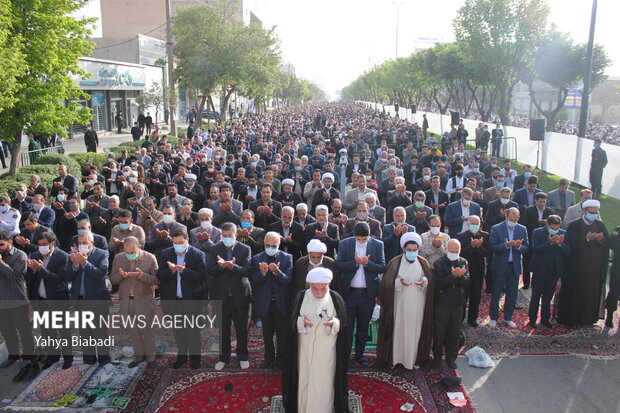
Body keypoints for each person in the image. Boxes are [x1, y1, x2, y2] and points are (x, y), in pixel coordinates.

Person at [282, 267, 350, 413]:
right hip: (304, 351)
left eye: (323, 289)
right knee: (305, 379)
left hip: (328, 353)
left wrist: (335, 324)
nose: (319, 293)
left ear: (329, 285)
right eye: (315, 289)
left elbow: (345, 325)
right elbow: (290, 323)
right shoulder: (300, 297)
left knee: (324, 382)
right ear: (310, 286)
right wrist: (301, 322)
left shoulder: (335, 298)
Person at [377, 232, 434, 369]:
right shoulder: (395, 263)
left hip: (417, 303)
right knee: (398, 331)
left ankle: (412, 360)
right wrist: (398, 282)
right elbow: (385, 284)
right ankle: (396, 359)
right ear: (404, 249)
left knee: (415, 332)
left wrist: (424, 281)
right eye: (409, 250)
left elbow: (430, 281)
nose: (412, 253)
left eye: (415, 250)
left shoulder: (423, 262)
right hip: (399, 303)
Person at [155, 227, 206, 369]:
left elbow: (201, 276)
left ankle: (195, 359)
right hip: (174, 300)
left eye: (180, 242)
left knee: (193, 331)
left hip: (192, 300)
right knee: (179, 331)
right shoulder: (166, 254)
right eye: (175, 242)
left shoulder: (198, 255)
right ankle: (181, 356)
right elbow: (160, 275)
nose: (177, 244)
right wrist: (171, 271)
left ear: (187, 240)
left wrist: (184, 271)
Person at [337, 222, 386, 367]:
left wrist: (366, 263)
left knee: (363, 328)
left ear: (369, 236)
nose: (362, 241)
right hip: (349, 293)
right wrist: (355, 263)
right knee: (347, 327)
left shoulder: (377, 245)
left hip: (367, 294)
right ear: (354, 236)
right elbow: (339, 264)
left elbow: (382, 267)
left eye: (364, 239)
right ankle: (345, 356)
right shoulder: (345, 244)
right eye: (359, 239)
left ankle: (359, 356)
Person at [207, 223, 252, 370]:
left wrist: (232, 266)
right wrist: (220, 266)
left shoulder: (245, 249)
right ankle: (223, 357)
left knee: (241, 329)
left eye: (230, 236)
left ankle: (243, 356)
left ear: (235, 235)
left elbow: (247, 271)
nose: (227, 239)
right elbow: (210, 271)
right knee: (223, 329)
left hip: (239, 295)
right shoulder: (214, 249)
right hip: (222, 296)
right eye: (224, 236)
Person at [109, 236, 159, 369]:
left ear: (139, 247)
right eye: (127, 252)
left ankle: (151, 357)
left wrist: (141, 275)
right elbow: (113, 280)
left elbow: (157, 280)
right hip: (127, 301)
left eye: (132, 252)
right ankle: (139, 356)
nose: (129, 255)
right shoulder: (119, 258)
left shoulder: (150, 258)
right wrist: (121, 275)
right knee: (133, 331)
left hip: (145, 301)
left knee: (148, 331)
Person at [65, 230, 112, 367]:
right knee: (85, 332)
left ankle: (104, 359)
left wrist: (85, 263)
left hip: (97, 300)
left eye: (84, 243)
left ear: (92, 243)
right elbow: (67, 277)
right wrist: (75, 265)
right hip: (80, 300)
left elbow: (100, 274)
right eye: (79, 243)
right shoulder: (73, 256)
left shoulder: (102, 254)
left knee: (100, 332)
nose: (82, 245)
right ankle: (89, 359)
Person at [558, 200, 609, 326]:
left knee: (590, 293)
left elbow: (606, 245)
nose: (593, 215)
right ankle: (573, 318)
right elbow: (571, 246)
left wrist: (600, 240)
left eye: (596, 212)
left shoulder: (600, 225)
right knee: (576, 292)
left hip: (594, 269)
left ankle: (589, 318)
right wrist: (586, 238)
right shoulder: (574, 225)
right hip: (577, 268)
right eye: (591, 212)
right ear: (584, 211)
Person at [26, 231, 73, 370]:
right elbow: (29, 280)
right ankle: (53, 356)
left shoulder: (62, 256)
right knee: (47, 330)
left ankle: (68, 357)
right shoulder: (35, 255)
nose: (41, 247)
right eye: (39, 245)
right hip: (41, 300)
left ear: (52, 244)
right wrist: (32, 270)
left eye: (44, 244)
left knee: (63, 330)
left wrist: (41, 270)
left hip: (58, 300)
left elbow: (59, 279)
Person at [251, 231, 293, 368]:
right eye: (268, 245)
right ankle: (268, 358)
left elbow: (288, 280)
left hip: (281, 303)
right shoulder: (257, 258)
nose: (270, 248)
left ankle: (281, 359)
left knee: (282, 334)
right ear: (264, 244)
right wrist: (262, 274)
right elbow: (254, 282)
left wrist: (277, 272)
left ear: (279, 244)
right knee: (267, 334)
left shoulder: (287, 258)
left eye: (273, 245)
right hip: (265, 304)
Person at [0, 230, 37, 381]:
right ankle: (14, 355)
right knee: (7, 332)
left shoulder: (20, 255)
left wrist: (0, 262)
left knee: (24, 332)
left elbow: (14, 276)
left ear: (10, 242)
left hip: (18, 301)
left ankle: (28, 356)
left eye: (1, 244)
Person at [431, 239, 469, 369]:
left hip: (458, 303)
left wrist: (461, 276)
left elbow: (467, 282)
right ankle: (436, 357)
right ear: (446, 250)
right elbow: (440, 283)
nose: (454, 253)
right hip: (443, 303)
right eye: (452, 251)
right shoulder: (439, 263)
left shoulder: (463, 262)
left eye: (456, 251)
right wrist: (453, 276)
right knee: (439, 332)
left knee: (455, 332)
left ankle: (451, 358)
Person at [488, 208, 529, 328]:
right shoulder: (496, 228)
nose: (513, 221)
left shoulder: (522, 229)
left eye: (515, 220)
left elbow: (526, 248)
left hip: (514, 267)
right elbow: (492, 247)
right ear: (506, 216)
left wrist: (517, 247)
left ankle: (508, 317)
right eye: (511, 219)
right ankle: (493, 317)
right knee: (496, 292)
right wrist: (505, 245)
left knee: (512, 293)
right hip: (500, 266)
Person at [527, 216, 570, 329]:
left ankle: (545, 319)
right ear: (547, 224)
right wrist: (549, 243)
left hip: (553, 271)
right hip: (540, 270)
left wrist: (560, 244)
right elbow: (535, 249)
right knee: (536, 296)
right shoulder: (538, 232)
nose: (555, 230)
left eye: (557, 228)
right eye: (552, 228)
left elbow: (568, 252)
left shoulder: (563, 233)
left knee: (547, 297)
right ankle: (532, 319)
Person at [457, 215, 488, 327]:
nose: (475, 225)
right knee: (463, 297)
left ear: (480, 225)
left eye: (477, 223)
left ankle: (472, 319)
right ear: (468, 224)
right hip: (465, 271)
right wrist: (472, 246)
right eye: (473, 223)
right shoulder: (461, 236)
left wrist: (479, 247)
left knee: (475, 297)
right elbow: (460, 254)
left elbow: (487, 252)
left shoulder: (485, 236)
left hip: (478, 271)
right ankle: (460, 319)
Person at [604, 225, 620, 328]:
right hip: (618, 264)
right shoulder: (617, 230)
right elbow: (612, 244)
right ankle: (609, 318)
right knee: (615, 291)